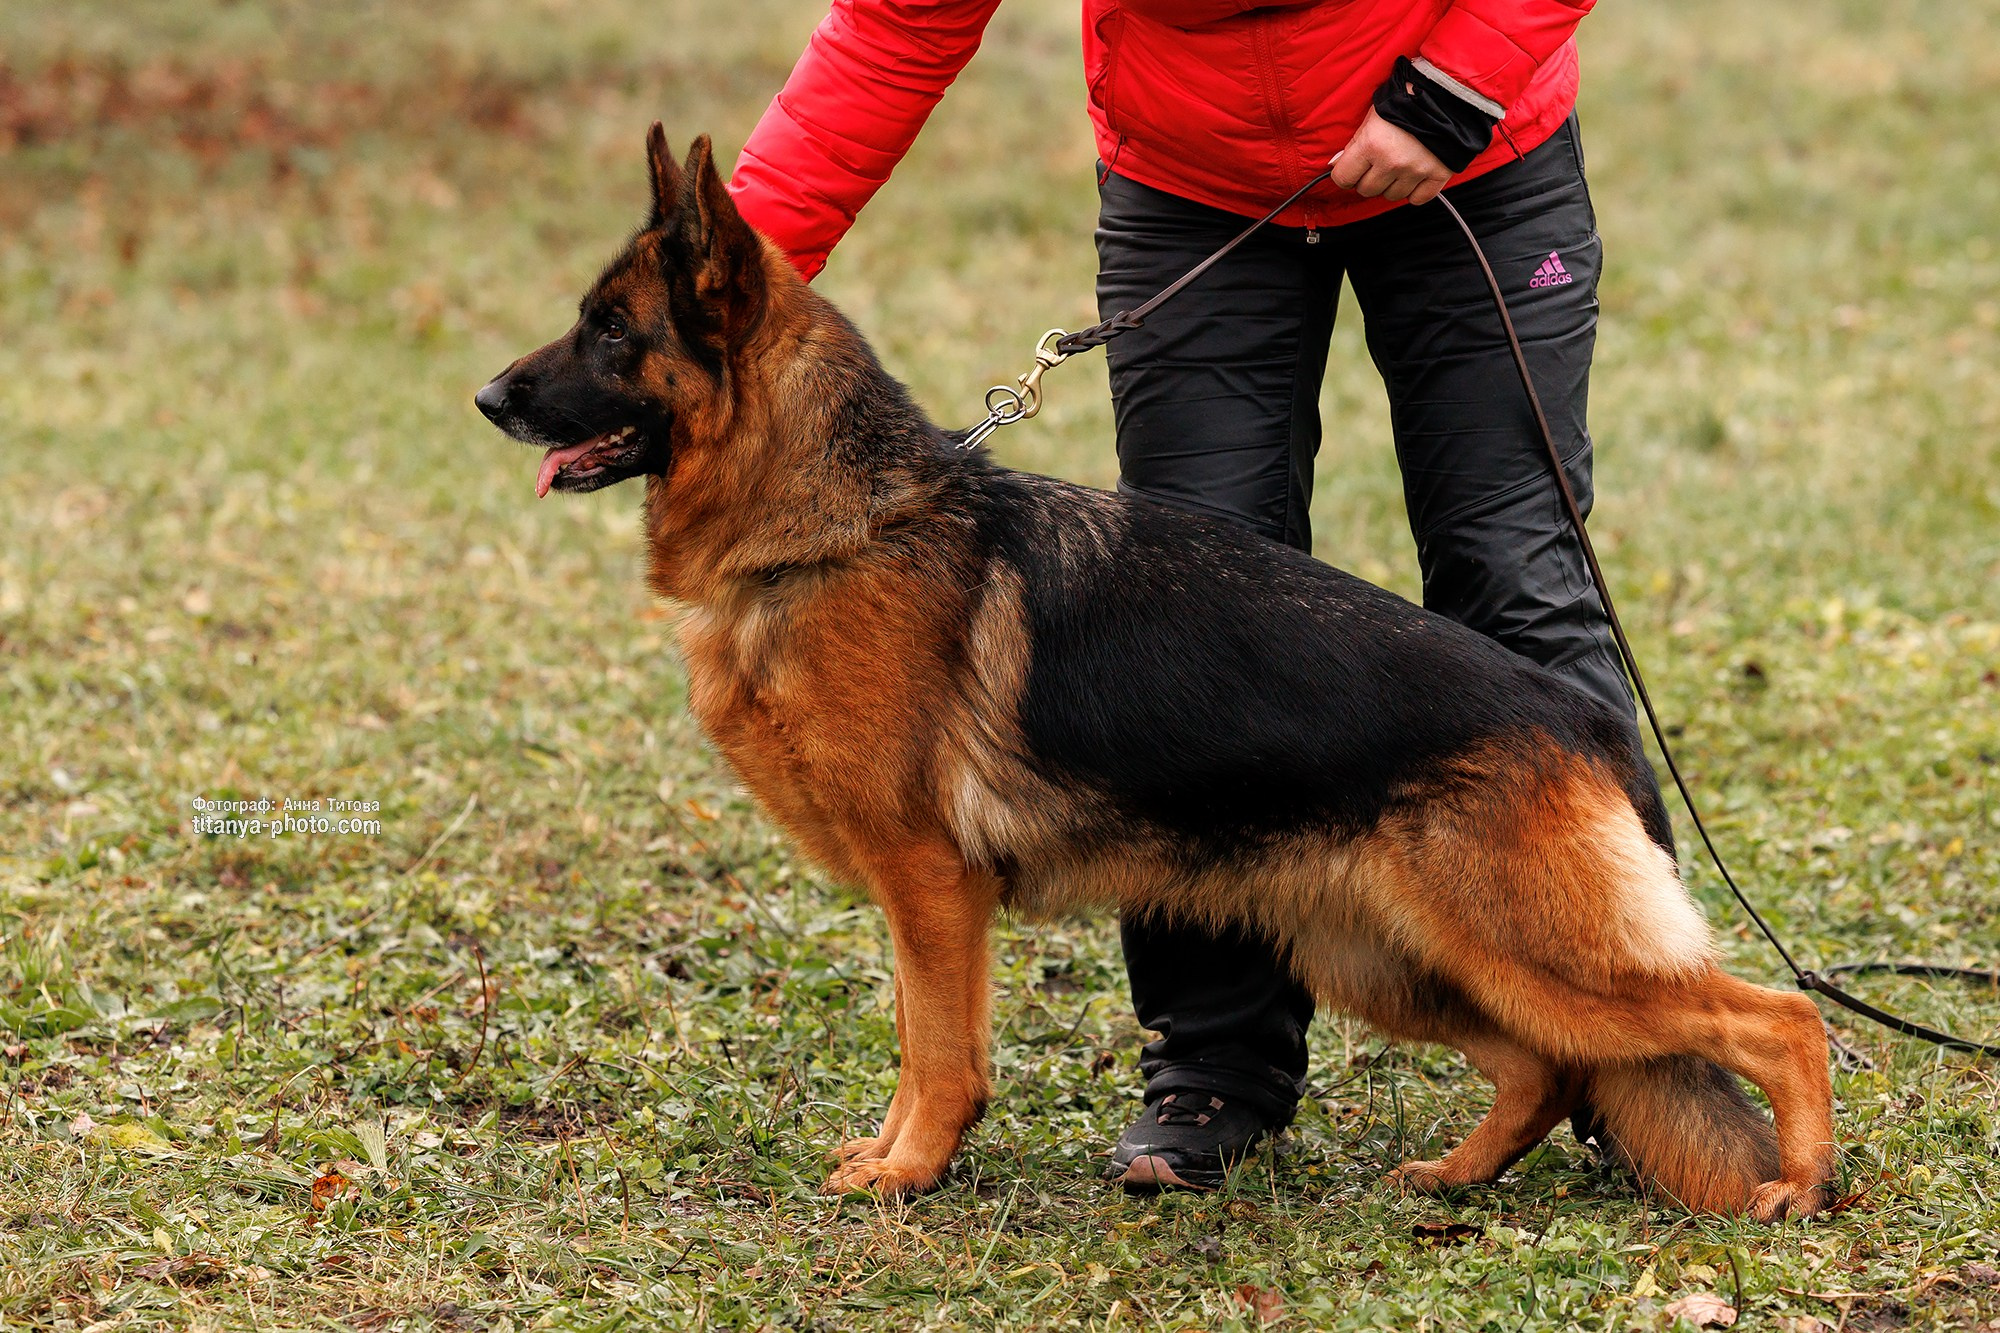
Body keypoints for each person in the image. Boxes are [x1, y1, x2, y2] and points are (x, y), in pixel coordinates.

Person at [726, 0, 1662, 1191]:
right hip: (1196, 184)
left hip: (1471, 152)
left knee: (1513, 577)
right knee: (1181, 626)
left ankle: (1637, 1057)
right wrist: (724, 280)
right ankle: (1216, 1068)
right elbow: (895, 25)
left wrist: (1452, 88)